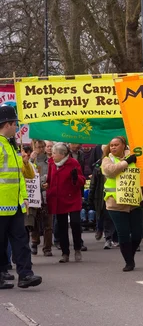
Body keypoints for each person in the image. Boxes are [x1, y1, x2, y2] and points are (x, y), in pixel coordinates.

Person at [0, 106, 42, 289]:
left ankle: (25, 275)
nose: (16, 127)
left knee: (21, 240)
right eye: (15, 124)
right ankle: (2, 274)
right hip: (1, 204)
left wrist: (24, 197)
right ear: (7, 124)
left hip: (16, 204)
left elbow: (21, 177)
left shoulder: (11, 145)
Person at [101, 136, 143, 271]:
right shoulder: (107, 159)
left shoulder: (136, 158)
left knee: (136, 233)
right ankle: (129, 262)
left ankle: (130, 255)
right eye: (111, 145)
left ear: (124, 145)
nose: (113, 147)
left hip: (134, 202)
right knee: (123, 233)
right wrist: (126, 163)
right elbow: (109, 172)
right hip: (115, 204)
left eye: (116, 145)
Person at [45, 142, 86, 263]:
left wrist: (75, 178)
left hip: (72, 197)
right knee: (61, 226)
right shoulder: (52, 163)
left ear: (62, 154)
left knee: (75, 223)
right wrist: (46, 184)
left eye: (54, 153)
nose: (52, 155)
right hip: (58, 197)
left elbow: (81, 180)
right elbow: (49, 178)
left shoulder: (73, 163)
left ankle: (77, 248)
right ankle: (65, 253)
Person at [29, 140, 53, 257]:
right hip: (34, 195)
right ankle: (34, 241)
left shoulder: (49, 161)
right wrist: (29, 160)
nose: (41, 149)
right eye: (38, 147)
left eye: (42, 147)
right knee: (34, 222)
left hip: (46, 195)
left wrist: (46, 181)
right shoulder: (31, 161)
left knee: (48, 223)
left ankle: (47, 248)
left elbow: (52, 175)